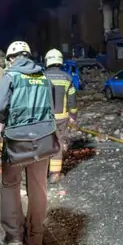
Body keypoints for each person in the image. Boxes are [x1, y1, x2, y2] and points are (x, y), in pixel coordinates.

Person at [0, 41, 56, 245]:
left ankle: (15, 238)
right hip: (43, 140)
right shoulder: (44, 77)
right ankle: (35, 237)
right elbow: (51, 107)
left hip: (16, 143)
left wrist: (5, 120)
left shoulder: (10, 77)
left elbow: (0, 109)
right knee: (38, 189)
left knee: (10, 187)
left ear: (11, 59)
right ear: (28, 56)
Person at [42, 49, 78, 184]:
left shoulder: (42, 77)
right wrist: (73, 115)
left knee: (45, 143)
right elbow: (72, 100)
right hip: (61, 118)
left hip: (45, 118)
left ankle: (41, 172)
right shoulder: (67, 78)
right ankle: (55, 174)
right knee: (58, 143)